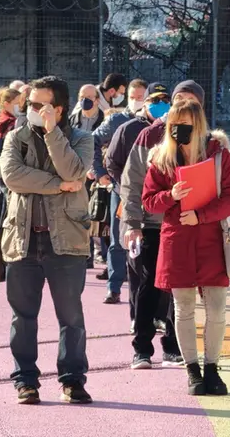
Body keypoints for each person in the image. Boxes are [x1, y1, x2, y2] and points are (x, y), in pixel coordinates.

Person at [0, 75, 94, 405]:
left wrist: (53, 134)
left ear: (60, 108)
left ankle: (72, 379)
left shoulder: (81, 138)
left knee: (71, 316)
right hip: (23, 239)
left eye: (42, 105)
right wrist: (57, 185)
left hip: (66, 240)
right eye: (31, 104)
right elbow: (12, 176)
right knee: (22, 316)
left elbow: (75, 173)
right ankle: (26, 380)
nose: (33, 110)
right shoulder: (16, 138)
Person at [141, 99, 230, 396]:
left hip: (212, 238)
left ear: (198, 125)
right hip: (178, 239)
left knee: (217, 308)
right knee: (183, 308)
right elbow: (148, 200)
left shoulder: (219, 156)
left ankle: (212, 367)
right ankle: (192, 370)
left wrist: (202, 215)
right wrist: (170, 196)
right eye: (174, 124)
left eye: (185, 124)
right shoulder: (161, 159)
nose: (178, 130)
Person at [113, 81, 198, 369]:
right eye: (179, 99)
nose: (184, 106)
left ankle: (173, 346)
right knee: (146, 285)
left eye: (192, 101)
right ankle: (142, 347)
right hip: (150, 223)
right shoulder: (149, 136)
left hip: (187, 224)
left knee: (179, 289)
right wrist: (132, 223)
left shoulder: (207, 140)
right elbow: (132, 182)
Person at [92, 78, 149, 301]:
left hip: (150, 192)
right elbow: (93, 141)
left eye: (140, 98)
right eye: (132, 97)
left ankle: (145, 290)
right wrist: (99, 172)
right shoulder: (117, 121)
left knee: (147, 240)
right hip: (121, 190)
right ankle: (114, 287)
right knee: (117, 238)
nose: (135, 101)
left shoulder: (157, 122)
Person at [0, 87, 21, 227]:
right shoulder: (9, 122)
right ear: (7, 103)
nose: (20, 105)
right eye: (17, 102)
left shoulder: (1, 120)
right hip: (4, 162)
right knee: (8, 195)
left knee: (5, 194)